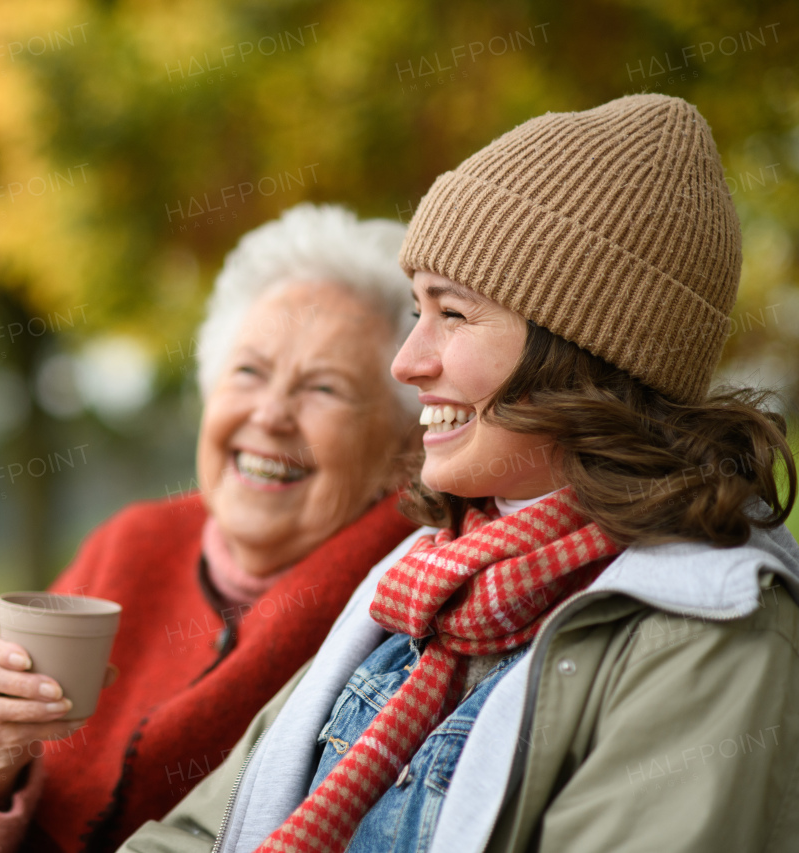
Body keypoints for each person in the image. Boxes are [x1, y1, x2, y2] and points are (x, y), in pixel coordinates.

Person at [122, 94, 799, 853]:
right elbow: (197, 834)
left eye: (454, 314)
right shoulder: (425, 576)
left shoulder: (707, 632)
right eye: (417, 310)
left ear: (582, 354)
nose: (407, 362)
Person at [0, 203, 424, 853]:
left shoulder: (405, 602)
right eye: (248, 372)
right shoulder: (132, 546)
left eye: (325, 388)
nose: (270, 413)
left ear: (404, 449)